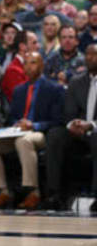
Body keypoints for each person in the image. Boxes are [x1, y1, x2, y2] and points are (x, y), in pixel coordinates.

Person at [0, 52, 62, 210]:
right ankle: (3, 191)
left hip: (40, 133)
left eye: (33, 62)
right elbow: (11, 117)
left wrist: (33, 125)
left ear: (41, 66)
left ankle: (33, 192)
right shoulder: (19, 90)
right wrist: (16, 124)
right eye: (25, 63)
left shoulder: (54, 89)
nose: (28, 66)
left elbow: (57, 121)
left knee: (24, 141)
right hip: (18, 131)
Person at [44, 44, 97, 211]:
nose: (90, 58)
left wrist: (91, 125)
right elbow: (68, 112)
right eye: (88, 54)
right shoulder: (76, 81)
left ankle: (96, 194)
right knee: (54, 135)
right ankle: (54, 194)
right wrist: (72, 124)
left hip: (95, 131)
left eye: (94, 54)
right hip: (78, 132)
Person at [1, 30, 40, 103]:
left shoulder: (34, 66)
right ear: (22, 46)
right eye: (34, 43)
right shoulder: (13, 71)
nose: (38, 46)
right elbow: (22, 100)